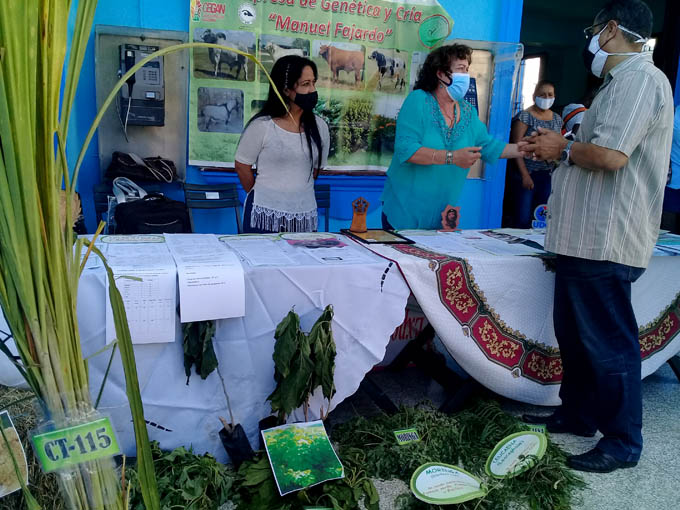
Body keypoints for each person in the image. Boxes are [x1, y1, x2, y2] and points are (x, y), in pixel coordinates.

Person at [521, 0, 674, 473]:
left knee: (608, 344)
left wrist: (562, 147)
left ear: (610, 30)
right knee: (576, 336)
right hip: (580, 236)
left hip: (607, 237)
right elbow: (590, 152)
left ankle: (623, 442)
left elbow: (610, 156)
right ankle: (578, 414)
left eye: (594, 30)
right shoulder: (616, 84)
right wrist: (557, 152)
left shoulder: (641, 80)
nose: (590, 40)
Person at [380, 44, 524, 230]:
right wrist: (453, 157)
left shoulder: (467, 111)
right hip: (406, 210)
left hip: (443, 214)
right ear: (441, 74)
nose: (466, 75)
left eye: (467, 69)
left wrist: (524, 149)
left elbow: (488, 146)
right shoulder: (418, 100)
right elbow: (407, 151)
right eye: (461, 69)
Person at [235, 55, 330, 233]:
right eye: (305, 84)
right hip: (264, 214)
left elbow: (316, 170)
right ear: (286, 90)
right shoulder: (262, 125)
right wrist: (265, 195)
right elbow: (242, 166)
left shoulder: (320, 127)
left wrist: (294, 193)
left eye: (313, 83)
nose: (312, 90)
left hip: (303, 214)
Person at [507, 81, 563, 228]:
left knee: (542, 214)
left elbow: (558, 145)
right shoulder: (525, 116)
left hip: (547, 173)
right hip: (526, 172)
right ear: (534, 96)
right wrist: (525, 175)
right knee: (523, 216)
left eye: (550, 95)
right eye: (542, 94)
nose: (546, 98)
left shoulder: (557, 119)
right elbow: (516, 147)